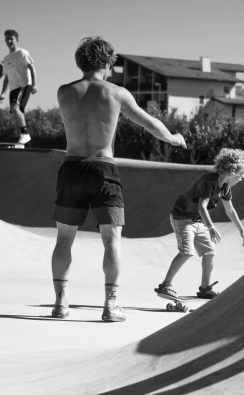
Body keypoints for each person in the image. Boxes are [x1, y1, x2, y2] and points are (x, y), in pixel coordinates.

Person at [51, 36, 187, 321]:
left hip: (72, 168)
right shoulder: (117, 93)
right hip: (103, 170)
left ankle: (61, 303)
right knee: (111, 240)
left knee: (64, 239)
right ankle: (111, 306)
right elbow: (149, 123)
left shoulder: (63, 92)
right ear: (106, 62)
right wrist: (174, 138)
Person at [155, 148, 244, 301]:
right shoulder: (209, 182)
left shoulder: (225, 188)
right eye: (240, 175)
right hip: (182, 217)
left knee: (209, 252)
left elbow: (230, 210)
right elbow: (202, 207)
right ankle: (165, 285)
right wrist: (212, 227)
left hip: (197, 220)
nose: (241, 179)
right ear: (232, 172)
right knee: (187, 251)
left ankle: (205, 288)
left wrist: (241, 229)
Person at [0, 29, 37, 148]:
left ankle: (25, 133)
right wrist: (3, 93)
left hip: (24, 85)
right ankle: (21, 143)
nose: (9, 41)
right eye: (7, 39)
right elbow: (6, 78)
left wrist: (35, 84)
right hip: (14, 88)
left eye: (11, 39)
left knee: (15, 107)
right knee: (17, 113)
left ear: (16, 40)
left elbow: (32, 68)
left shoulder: (22, 53)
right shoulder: (7, 58)